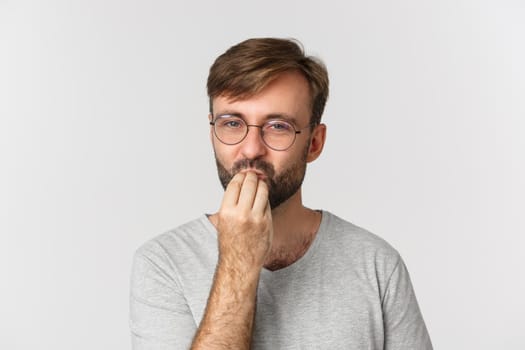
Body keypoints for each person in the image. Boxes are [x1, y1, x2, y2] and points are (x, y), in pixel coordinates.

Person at [130, 37, 433, 350]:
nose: (251, 149)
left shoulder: (376, 264)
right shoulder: (162, 263)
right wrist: (240, 260)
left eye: (277, 126)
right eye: (232, 123)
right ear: (212, 133)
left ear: (314, 143)